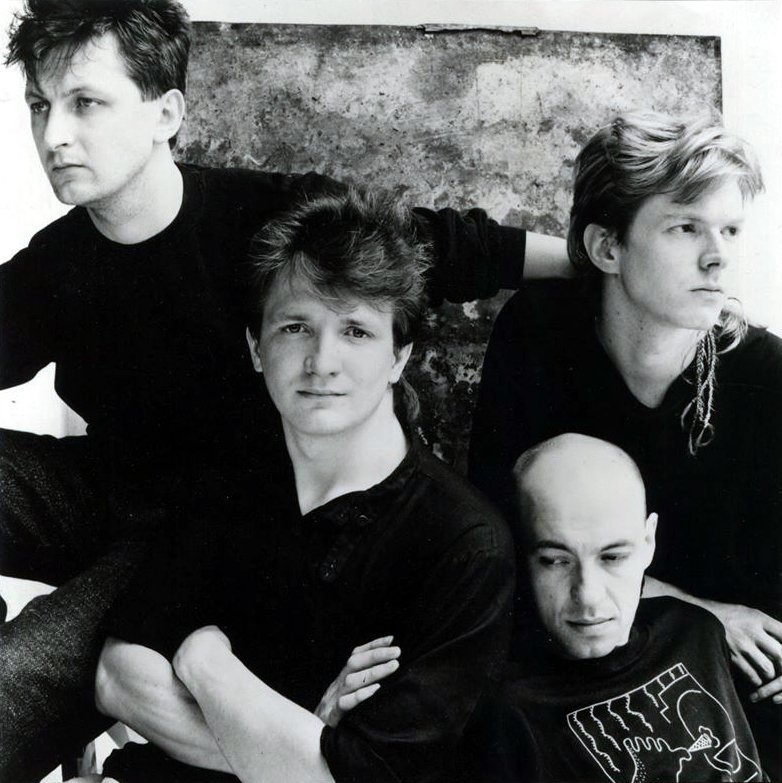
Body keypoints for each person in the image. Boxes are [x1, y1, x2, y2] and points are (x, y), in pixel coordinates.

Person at [0, 1, 566, 777]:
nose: (54, 135)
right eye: (40, 106)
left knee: (15, 678)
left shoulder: (267, 218)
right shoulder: (53, 263)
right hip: (104, 490)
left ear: (167, 113)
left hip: (214, 529)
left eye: (86, 103)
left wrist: (605, 262)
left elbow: (446, 246)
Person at [93, 186, 515, 783]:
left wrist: (206, 661)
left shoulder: (464, 544)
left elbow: (368, 777)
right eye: (295, 327)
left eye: (356, 332)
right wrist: (297, 745)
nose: (321, 361)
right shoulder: (233, 478)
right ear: (256, 348)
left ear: (400, 357)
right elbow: (118, 676)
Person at [468, 111, 782, 776]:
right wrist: (699, 610)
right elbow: (501, 534)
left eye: (729, 229)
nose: (718, 256)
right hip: (570, 661)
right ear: (608, 248)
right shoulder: (539, 336)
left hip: (726, 691)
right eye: (685, 228)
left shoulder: (766, 378)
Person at [467, 434, 765, 782]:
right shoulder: (507, 712)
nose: (588, 596)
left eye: (613, 557)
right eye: (555, 561)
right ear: (521, 555)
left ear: (648, 542)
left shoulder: (698, 631)